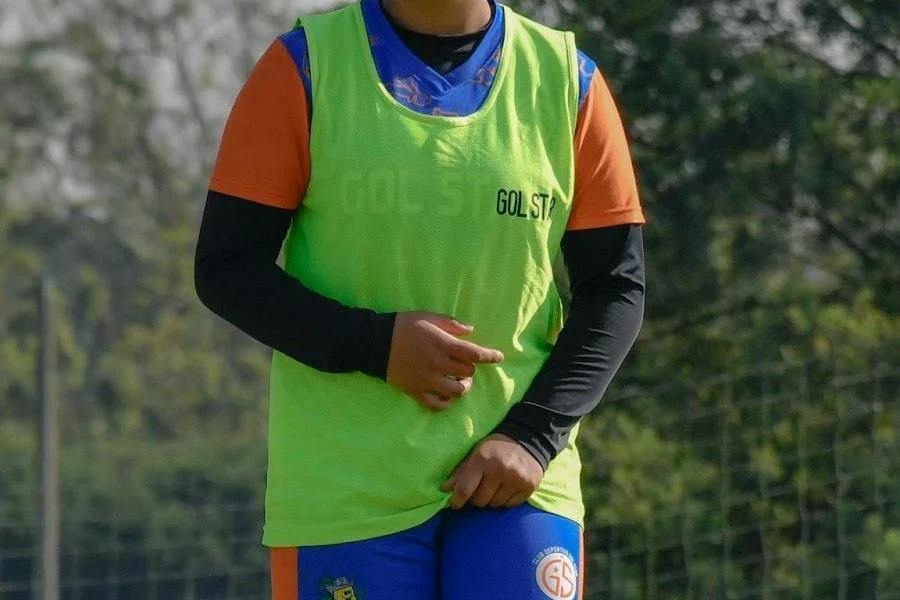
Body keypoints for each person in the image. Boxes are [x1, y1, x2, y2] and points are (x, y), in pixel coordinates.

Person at [195, 0, 646, 597]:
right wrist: (376, 346)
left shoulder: (570, 82)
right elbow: (227, 268)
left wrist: (533, 436)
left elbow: (616, 287)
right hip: (345, 495)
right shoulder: (302, 67)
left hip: (519, 485)